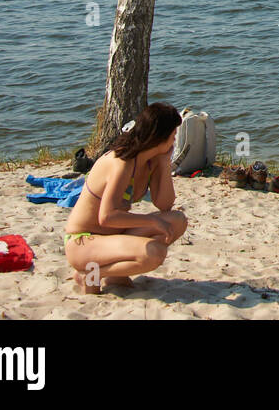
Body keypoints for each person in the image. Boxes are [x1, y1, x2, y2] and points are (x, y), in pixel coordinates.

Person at [63, 103, 188, 294]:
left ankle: (115, 274)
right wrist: (151, 221)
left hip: (113, 237)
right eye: (173, 135)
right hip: (84, 241)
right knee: (154, 253)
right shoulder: (122, 162)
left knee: (177, 220)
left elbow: (164, 204)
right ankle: (89, 275)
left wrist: (164, 163)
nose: (174, 139)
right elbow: (107, 216)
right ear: (159, 137)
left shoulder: (151, 160)